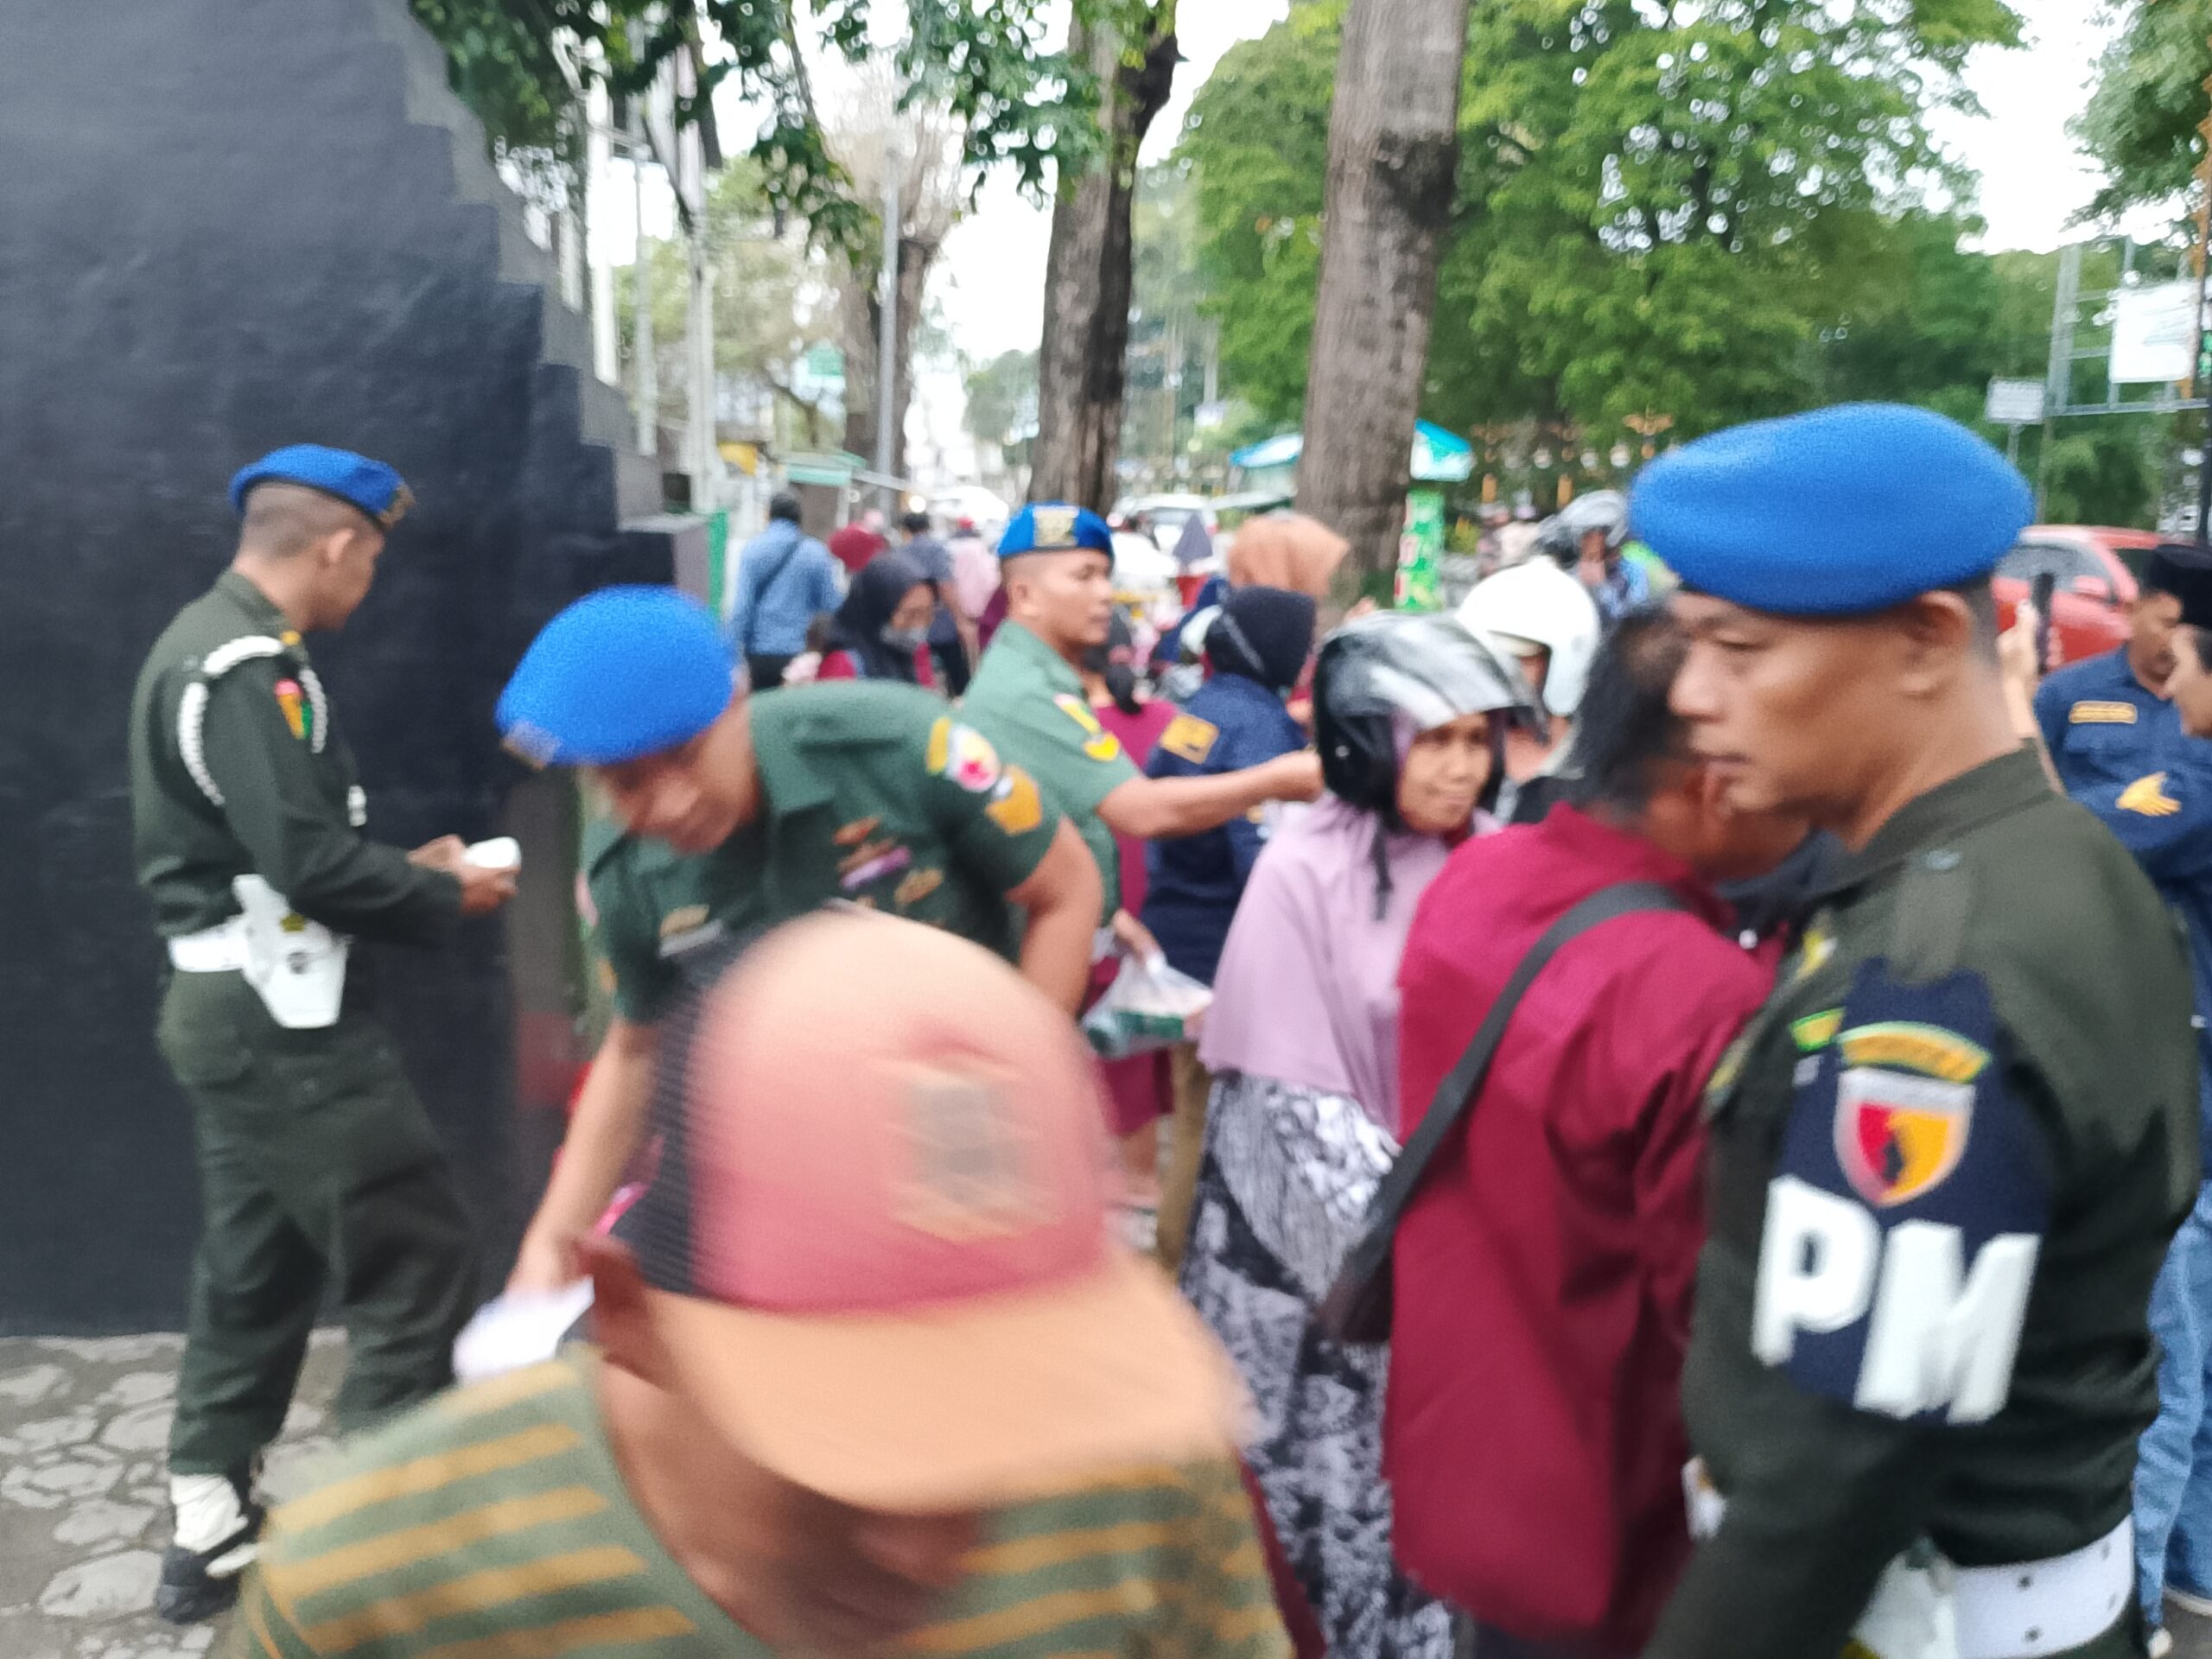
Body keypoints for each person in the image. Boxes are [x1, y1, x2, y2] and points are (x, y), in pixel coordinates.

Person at [225, 912, 1291, 1659]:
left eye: (1005, 1430)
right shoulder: (373, 1594)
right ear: (628, 1319)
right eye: (842, 1447)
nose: (931, 1552)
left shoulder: (1143, 1483)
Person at [1635, 403, 2197, 1658]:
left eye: (1739, 648)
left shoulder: (1930, 981)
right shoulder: (2052, 861)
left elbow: (1833, 1477)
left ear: (1926, 640)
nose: (1692, 695)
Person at [127, 445, 518, 1623]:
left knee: (258, 1266)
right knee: (417, 1261)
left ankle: (210, 1529)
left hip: (237, 1012)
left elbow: (269, 854)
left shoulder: (206, 641)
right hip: (282, 1023)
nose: (369, 581)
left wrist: (405, 864)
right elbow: (302, 864)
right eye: (372, 558)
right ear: (340, 544)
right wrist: (442, 892)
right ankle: (394, 1552)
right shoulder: (250, 666)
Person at [1384, 608, 1805, 1659]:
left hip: (1466, 1447)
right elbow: (1707, 1307)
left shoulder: (1479, 876)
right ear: (1712, 779)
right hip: (1607, 1511)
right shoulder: (1698, 992)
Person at [496, 587, 1102, 1294]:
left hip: (964, 1140)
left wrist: (1017, 1104)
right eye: (625, 783)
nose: (671, 803)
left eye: (688, 755)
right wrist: (550, 1244)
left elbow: (1065, 891)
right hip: (788, 1188)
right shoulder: (624, 870)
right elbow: (636, 1049)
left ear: (738, 702)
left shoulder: (897, 745)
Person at [1179, 613, 1530, 1659]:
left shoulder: (1502, 864)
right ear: (1366, 742)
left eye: (1477, 740)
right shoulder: (1303, 871)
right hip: (1330, 1269)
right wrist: (1434, 1254)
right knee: (1323, 1505)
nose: (1462, 768)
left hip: (1464, 1249)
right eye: (1436, 740)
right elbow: (1288, 1106)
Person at [2017, 546, 2212, 1646]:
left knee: (2167, 1367)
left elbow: (2061, 850)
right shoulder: (2080, 698)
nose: (2169, 679)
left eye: (2187, 659)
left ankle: (2133, 1615)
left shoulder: (2198, 784)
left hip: (2183, 1090)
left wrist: (2004, 702)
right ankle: (2195, 1578)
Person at [961, 503, 1323, 926]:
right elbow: (1143, 812)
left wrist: (1114, 921)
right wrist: (1277, 779)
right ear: (1024, 595)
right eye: (1084, 576)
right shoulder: (1025, 692)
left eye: (1105, 576)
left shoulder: (1037, 676)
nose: (1105, 593)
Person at [1141, 584, 1319, 1268]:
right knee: (1208, 1122)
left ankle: (1172, 1260)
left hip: (1177, 940)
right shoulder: (1261, 733)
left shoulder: (1198, 712)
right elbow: (1264, 862)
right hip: (1227, 957)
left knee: (1191, 1110)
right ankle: (1178, 1271)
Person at [1081, 615, 1180, 1217]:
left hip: (1108, 913)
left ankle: (1140, 1182)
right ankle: (1159, 1179)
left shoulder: (1071, 733)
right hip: (1167, 910)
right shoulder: (1169, 721)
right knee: (1161, 1053)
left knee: (1121, 1060)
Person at [1457, 556, 1602, 820]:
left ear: (1565, 663)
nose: (1494, 673)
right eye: (1482, 657)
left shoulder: (1597, 775)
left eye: (1515, 657)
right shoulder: (1446, 758)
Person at [728, 489, 842, 691]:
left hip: (759, 653)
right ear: (799, 518)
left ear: (769, 515)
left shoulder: (753, 549)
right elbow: (830, 604)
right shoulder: (816, 552)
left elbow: (742, 608)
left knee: (761, 709)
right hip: (799, 657)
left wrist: (730, 653)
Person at [816, 549, 937, 686]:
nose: (919, 625)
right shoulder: (843, 666)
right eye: (910, 615)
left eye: (928, 613)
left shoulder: (915, 651)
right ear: (878, 612)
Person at [1540, 489, 1647, 624]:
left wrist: (1597, 586)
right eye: (1586, 536)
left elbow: (1629, 618)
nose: (1590, 543)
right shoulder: (1562, 572)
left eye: (1595, 536)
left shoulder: (1631, 572)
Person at [899, 509, 975, 695]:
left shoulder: (900, 552)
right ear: (927, 527)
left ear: (905, 529)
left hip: (910, 624)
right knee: (958, 675)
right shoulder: (936, 549)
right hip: (940, 622)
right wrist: (961, 621)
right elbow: (945, 586)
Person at [827, 505, 889, 577]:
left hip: (845, 572)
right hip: (867, 575)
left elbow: (833, 548)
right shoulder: (877, 542)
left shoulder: (848, 533)